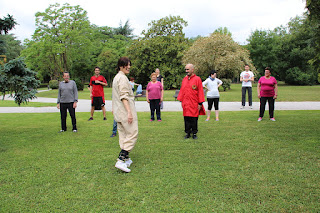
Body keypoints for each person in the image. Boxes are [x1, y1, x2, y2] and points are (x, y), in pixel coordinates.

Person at [112, 57, 138, 173]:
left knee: (124, 134)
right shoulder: (122, 78)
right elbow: (124, 96)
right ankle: (121, 159)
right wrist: (129, 112)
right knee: (132, 133)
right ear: (121, 66)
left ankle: (126, 159)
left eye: (129, 65)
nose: (129, 67)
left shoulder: (116, 77)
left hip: (118, 112)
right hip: (124, 111)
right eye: (127, 65)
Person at [177, 64, 206, 140]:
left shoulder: (197, 79)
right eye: (185, 69)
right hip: (186, 103)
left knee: (194, 119)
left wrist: (200, 103)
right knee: (186, 118)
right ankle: (187, 133)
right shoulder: (184, 79)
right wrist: (181, 100)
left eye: (188, 69)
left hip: (194, 103)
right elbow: (182, 90)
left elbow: (200, 91)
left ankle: (194, 133)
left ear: (192, 70)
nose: (186, 71)